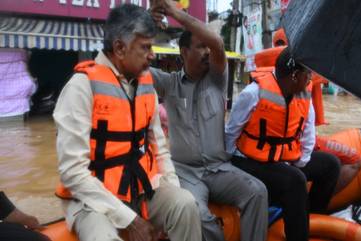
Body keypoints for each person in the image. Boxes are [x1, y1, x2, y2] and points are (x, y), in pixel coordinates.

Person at [53, 4, 201, 241]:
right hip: (93, 201)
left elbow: (160, 151)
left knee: (184, 204)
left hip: (142, 189)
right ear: (120, 48)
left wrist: (173, 190)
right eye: (145, 47)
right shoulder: (81, 88)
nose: (152, 55)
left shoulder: (145, 87)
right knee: (101, 236)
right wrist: (129, 219)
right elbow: (72, 172)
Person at [150, 1, 268, 241]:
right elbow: (136, 64)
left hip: (219, 170)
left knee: (257, 191)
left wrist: (176, 13)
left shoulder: (216, 78)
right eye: (199, 47)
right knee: (198, 215)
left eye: (207, 47)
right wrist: (148, 20)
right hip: (185, 172)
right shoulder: (169, 84)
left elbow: (218, 43)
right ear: (184, 52)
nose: (207, 52)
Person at [225, 47, 341, 241]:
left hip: (285, 157)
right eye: (307, 73)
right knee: (295, 180)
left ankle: (312, 220)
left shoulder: (303, 95)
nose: (310, 78)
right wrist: (229, 165)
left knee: (331, 165)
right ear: (295, 75)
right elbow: (231, 133)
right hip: (250, 159)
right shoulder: (253, 93)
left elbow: (308, 135)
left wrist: (300, 162)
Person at [273, 28, 361, 194]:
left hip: (277, 144)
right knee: (355, 159)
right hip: (299, 141)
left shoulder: (266, 70)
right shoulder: (306, 67)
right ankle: (317, 208)